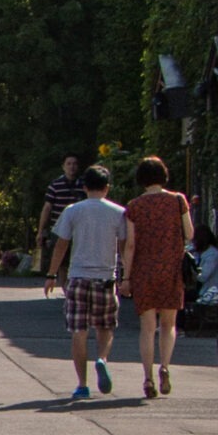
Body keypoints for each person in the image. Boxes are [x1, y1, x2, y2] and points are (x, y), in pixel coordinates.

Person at [44, 164, 129, 399]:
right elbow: (124, 247)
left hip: (78, 277)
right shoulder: (119, 213)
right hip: (105, 277)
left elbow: (61, 244)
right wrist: (128, 276)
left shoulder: (73, 210)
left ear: (84, 187)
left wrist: (52, 274)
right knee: (106, 326)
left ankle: (82, 384)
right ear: (107, 187)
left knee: (78, 331)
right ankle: (101, 359)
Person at [120, 156, 192, 398]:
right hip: (170, 269)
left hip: (143, 271)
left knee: (147, 328)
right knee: (168, 325)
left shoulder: (134, 206)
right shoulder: (177, 200)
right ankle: (165, 367)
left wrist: (126, 278)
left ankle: (148, 378)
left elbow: (130, 245)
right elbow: (190, 233)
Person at [35, 153, 86, 267]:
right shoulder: (55, 185)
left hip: (79, 229)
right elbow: (47, 207)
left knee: (76, 260)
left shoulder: (84, 185)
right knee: (61, 262)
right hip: (59, 228)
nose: (71, 166)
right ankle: (63, 285)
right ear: (63, 166)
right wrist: (40, 231)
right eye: (68, 164)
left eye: (74, 164)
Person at [193, 219, 218, 309]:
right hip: (205, 289)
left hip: (214, 291)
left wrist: (192, 273)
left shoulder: (212, 255)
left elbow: (203, 277)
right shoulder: (201, 253)